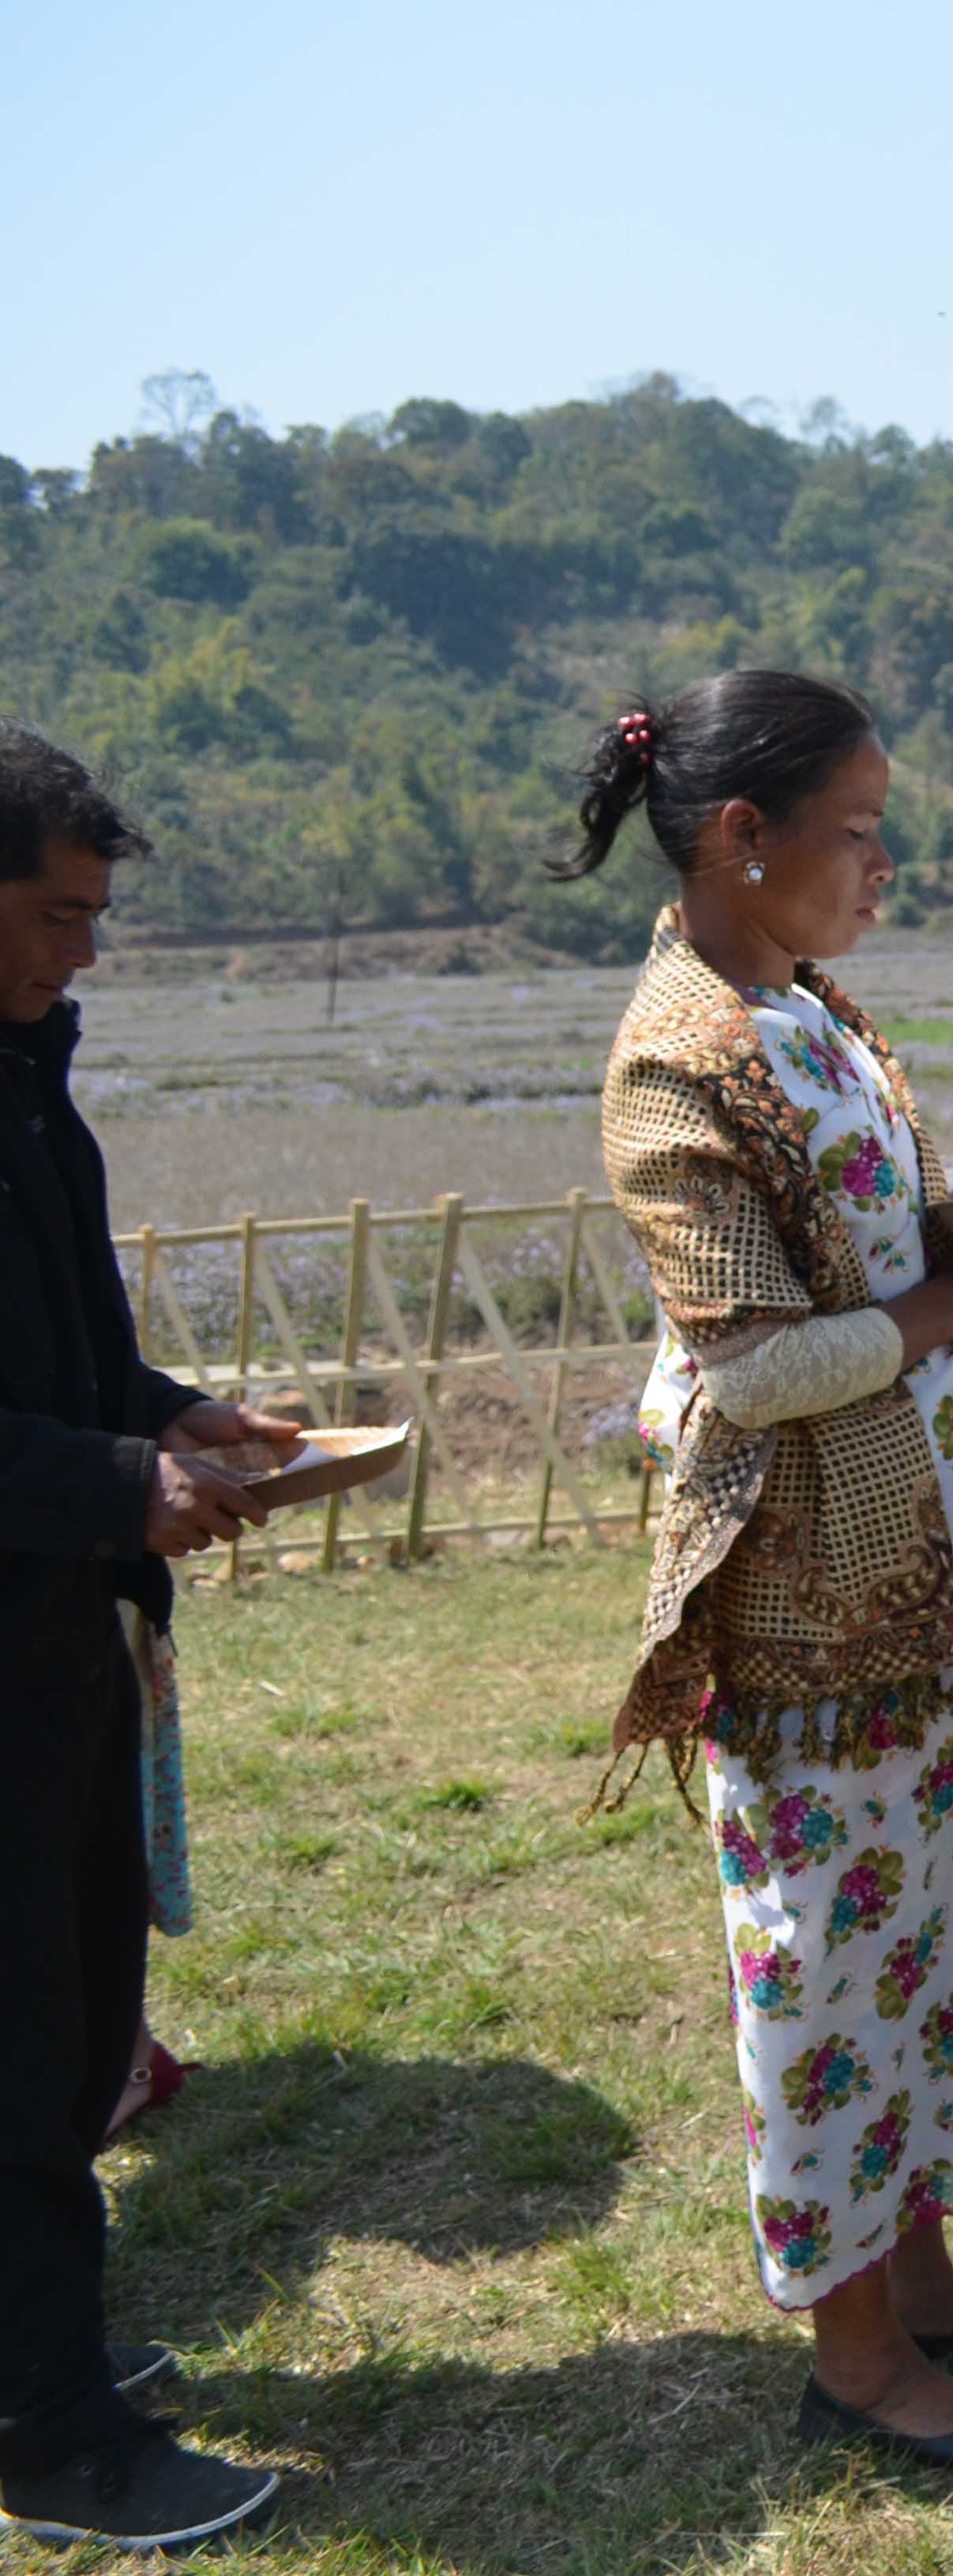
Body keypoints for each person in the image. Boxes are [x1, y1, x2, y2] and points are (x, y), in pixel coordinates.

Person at [588, 671, 953, 2468]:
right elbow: (754, 1364)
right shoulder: (679, 1053)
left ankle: (919, 2272)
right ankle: (854, 2354)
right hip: (809, 1586)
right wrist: (947, 1304)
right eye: (857, 829)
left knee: (926, 1912)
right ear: (741, 841)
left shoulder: (806, 1007)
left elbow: (862, 1245)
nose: (885, 862)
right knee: (832, 1951)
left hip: (926, 1548)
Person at [0, 726, 291, 2552]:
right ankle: (50, 2435)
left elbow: (61, 1354)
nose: (80, 955)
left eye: (97, 922)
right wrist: (117, 1472)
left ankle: (50, 2354)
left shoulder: (36, 1078)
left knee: (84, 2012)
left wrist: (170, 1417)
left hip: (61, 1630)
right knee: (20, 2040)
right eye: (51, 917)